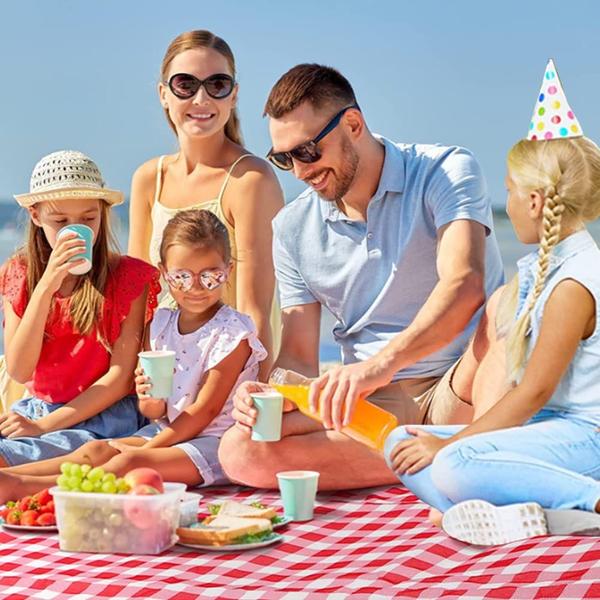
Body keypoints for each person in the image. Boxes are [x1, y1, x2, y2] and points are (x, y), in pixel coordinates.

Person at [219, 64, 505, 490]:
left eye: (308, 151)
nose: (299, 171)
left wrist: (377, 367)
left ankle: (463, 448)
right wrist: (269, 396)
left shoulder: (444, 169)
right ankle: (452, 458)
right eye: (284, 159)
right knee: (239, 449)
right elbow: (298, 355)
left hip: (465, 384)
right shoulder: (293, 228)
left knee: (506, 308)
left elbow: (464, 286)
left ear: (353, 123)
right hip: (372, 408)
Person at [385, 60, 600, 545]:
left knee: (458, 459)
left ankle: (588, 502)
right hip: (549, 432)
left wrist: (461, 442)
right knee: (401, 441)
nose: (505, 198)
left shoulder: (575, 282)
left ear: (535, 202)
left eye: (509, 191)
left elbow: (533, 394)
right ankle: (515, 512)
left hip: (585, 437)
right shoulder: (543, 274)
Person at [0, 209, 267, 500]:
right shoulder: (161, 325)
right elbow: (154, 411)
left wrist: (150, 448)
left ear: (228, 270)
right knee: (98, 450)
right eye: (181, 277)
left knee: (129, 463)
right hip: (168, 432)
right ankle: (11, 477)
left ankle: (26, 488)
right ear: (164, 273)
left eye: (210, 277)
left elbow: (205, 411)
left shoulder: (232, 333)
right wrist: (149, 399)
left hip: (214, 442)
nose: (195, 288)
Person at [128, 30, 283, 379]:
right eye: (186, 84)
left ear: (234, 95)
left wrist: (252, 399)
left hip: (222, 378)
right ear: (163, 94)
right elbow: (137, 299)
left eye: (217, 85)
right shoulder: (149, 179)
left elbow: (254, 310)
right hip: (161, 375)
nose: (201, 98)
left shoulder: (250, 179)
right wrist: (132, 379)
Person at [0, 150, 160, 467]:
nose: (75, 229)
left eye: (89, 219)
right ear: (35, 216)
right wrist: (46, 284)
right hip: (36, 409)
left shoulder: (130, 278)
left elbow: (119, 378)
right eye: (60, 221)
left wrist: (43, 428)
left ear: (103, 213)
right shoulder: (19, 273)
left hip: (104, 416)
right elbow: (19, 370)